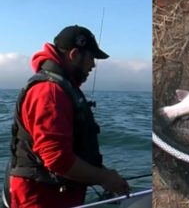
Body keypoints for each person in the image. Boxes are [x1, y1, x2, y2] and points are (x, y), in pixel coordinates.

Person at [7, 25, 129, 208]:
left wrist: (102, 173)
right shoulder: (50, 92)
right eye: (91, 57)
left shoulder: (61, 87)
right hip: (40, 199)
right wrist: (104, 177)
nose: (93, 65)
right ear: (74, 55)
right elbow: (57, 159)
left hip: (57, 195)